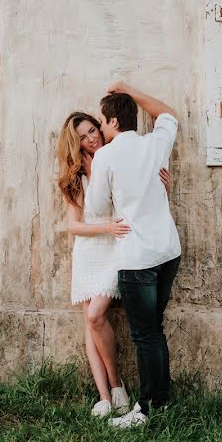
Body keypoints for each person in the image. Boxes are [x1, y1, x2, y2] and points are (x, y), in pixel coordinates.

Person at [56, 111, 172, 418]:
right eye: (83, 136)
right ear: (74, 142)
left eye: (94, 129)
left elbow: (142, 195)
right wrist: (105, 227)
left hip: (117, 248)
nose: (92, 137)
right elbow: (74, 226)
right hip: (90, 249)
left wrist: (165, 188)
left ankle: (119, 385)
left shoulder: (116, 156)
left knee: (96, 314)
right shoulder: (73, 175)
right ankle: (106, 396)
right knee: (90, 322)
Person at [84, 81, 181, 428]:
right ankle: (160, 401)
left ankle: (149, 408)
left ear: (111, 122)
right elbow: (168, 114)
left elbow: (95, 206)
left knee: (146, 334)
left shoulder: (106, 156)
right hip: (168, 252)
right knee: (154, 329)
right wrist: (130, 90)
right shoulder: (155, 144)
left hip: (138, 258)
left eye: (101, 120)